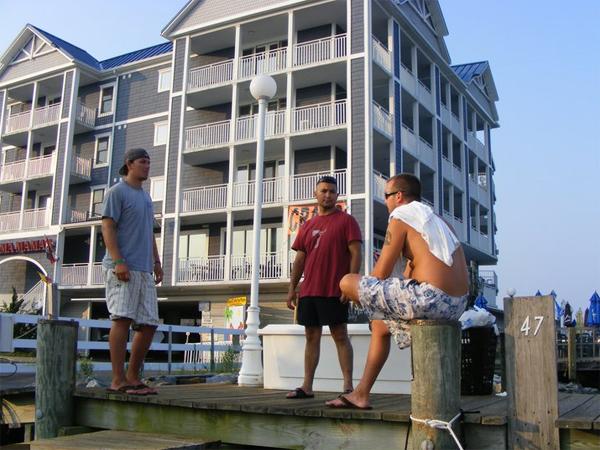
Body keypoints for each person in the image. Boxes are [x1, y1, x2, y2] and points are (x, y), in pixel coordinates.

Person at [326, 173, 468, 409]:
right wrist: (380, 306)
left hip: (433, 298)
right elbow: (410, 277)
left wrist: (358, 293)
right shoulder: (438, 221)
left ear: (398, 196)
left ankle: (360, 392)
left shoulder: (401, 217)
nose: (386, 202)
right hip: (458, 303)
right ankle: (361, 394)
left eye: (387, 196)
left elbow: (379, 274)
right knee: (381, 325)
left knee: (347, 281)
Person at [286, 175, 363, 399]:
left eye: (331, 191)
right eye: (323, 191)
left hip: (335, 289)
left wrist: (350, 284)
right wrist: (292, 288)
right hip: (309, 290)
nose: (327, 194)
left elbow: (356, 252)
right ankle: (307, 386)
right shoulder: (307, 225)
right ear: (316, 194)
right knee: (311, 336)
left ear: (337, 195)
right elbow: (300, 259)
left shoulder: (347, 221)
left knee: (340, 334)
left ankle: (348, 387)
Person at [101, 148, 163, 395]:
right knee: (122, 318)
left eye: (149, 162)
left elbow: (149, 232)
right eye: (142, 162)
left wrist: (156, 262)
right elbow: (107, 226)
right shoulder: (117, 192)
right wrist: (118, 261)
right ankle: (117, 379)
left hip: (144, 268)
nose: (147, 166)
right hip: (121, 266)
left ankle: (133, 376)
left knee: (148, 323)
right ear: (129, 164)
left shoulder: (146, 198)